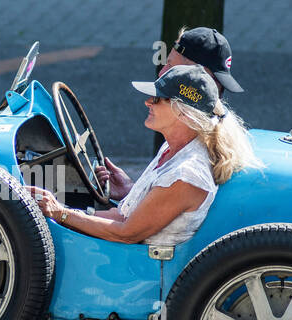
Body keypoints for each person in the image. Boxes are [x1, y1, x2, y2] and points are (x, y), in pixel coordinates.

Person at [25, 64, 263, 246]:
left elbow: (127, 233)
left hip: (137, 271)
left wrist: (60, 212)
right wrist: (131, 192)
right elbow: (123, 216)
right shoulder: (172, 149)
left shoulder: (187, 174)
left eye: (158, 99)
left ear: (183, 113)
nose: (148, 101)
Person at [99, 26, 244, 198]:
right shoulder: (198, 135)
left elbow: (133, 225)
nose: (161, 72)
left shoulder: (190, 157)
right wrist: (131, 192)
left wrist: (62, 214)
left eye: (171, 66)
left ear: (196, 77)